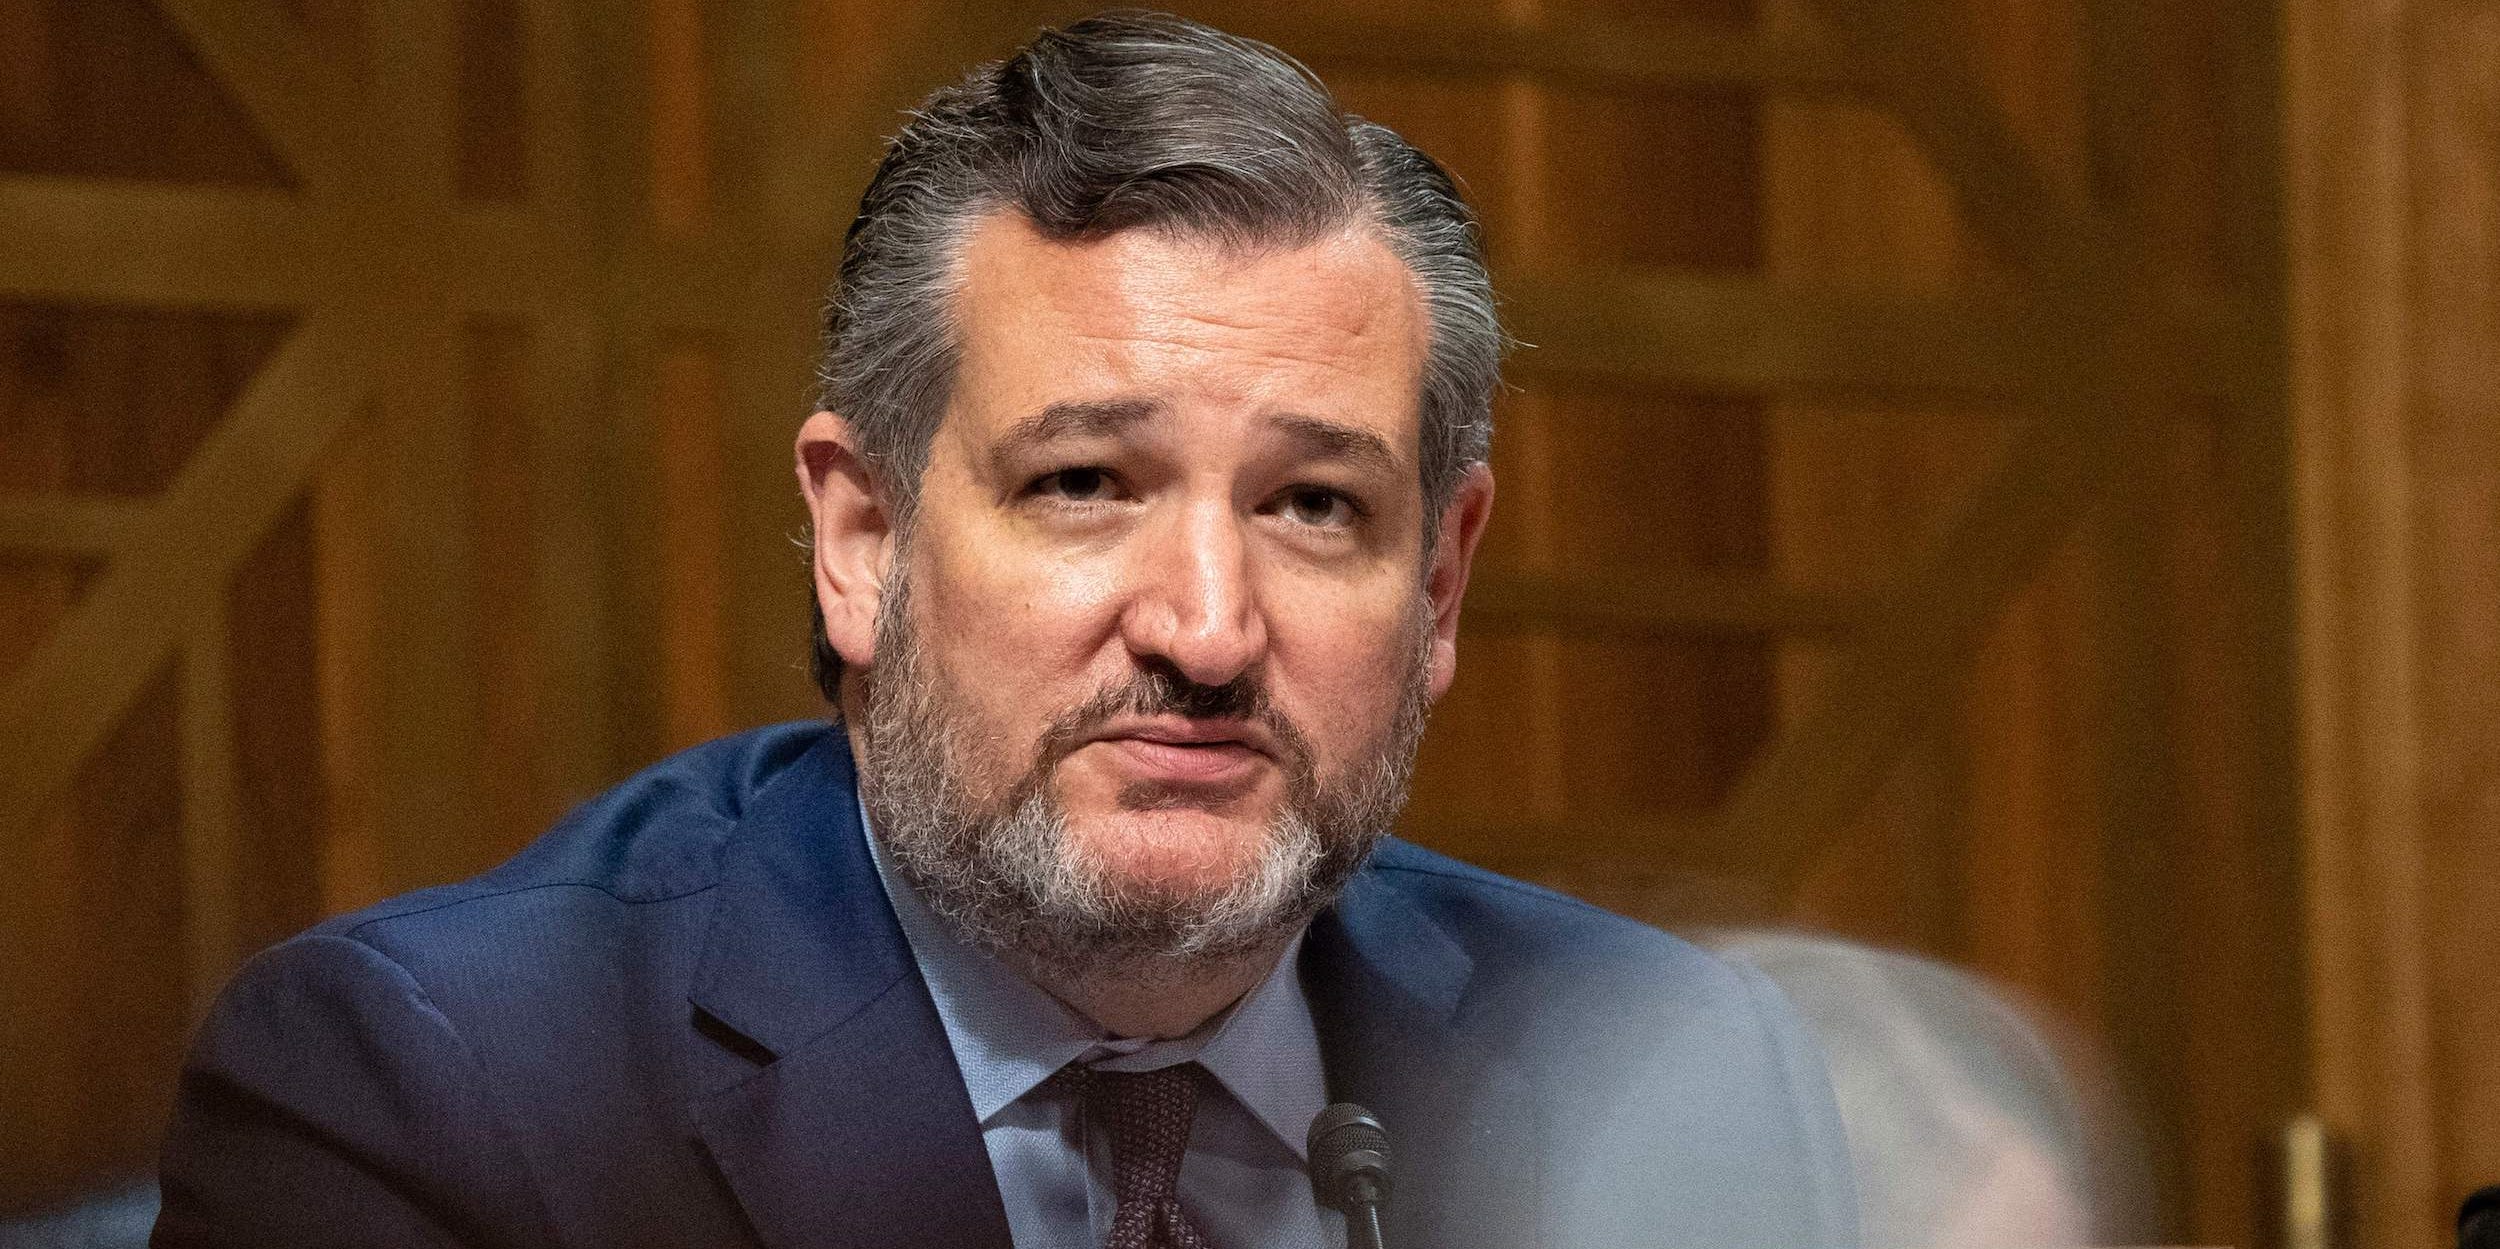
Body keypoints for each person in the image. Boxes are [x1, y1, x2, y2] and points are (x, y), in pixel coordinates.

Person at [152, 13, 1858, 1249]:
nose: (1206, 626)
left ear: (1442, 585)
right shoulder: (445, 1096)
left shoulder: (1672, 1078)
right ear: (861, 536)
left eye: (1315, 508)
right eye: (1085, 482)